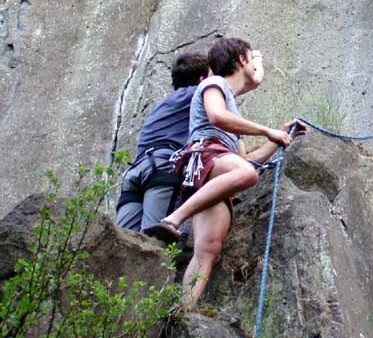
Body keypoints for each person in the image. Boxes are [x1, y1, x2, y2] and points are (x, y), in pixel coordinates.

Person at [150, 37, 307, 307]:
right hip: (205, 156)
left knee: (207, 250)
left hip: (216, 171)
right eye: (251, 58)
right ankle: (174, 219)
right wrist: (265, 130)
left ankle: (181, 312)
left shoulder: (233, 108)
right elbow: (216, 116)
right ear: (243, 60)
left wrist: (278, 136)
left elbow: (246, 159)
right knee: (246, 175)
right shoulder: (214, 84)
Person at [115, 53, 209, 235]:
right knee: (153, 243)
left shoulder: (162, 105)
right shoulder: (199, 93)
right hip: (162, 167)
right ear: (202, 79)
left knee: (122, 243)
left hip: (136, 172)